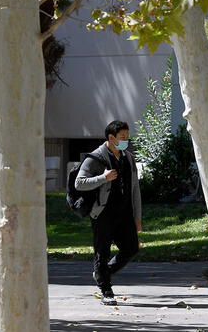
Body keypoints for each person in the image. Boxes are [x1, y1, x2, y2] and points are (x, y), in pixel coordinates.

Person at [75, 120, 142, 306]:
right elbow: (79, 183)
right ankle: (106, 290)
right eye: (122, 137)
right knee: (102, 253)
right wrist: (103, 178)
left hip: (125, 213)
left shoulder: (128, 157)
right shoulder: (95, 158)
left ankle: (102, 272)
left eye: (127, 137)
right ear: (111, 138)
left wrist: (137, 217)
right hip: (103, 213)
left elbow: (135, 189)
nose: (126, 140)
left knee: (131, 248)